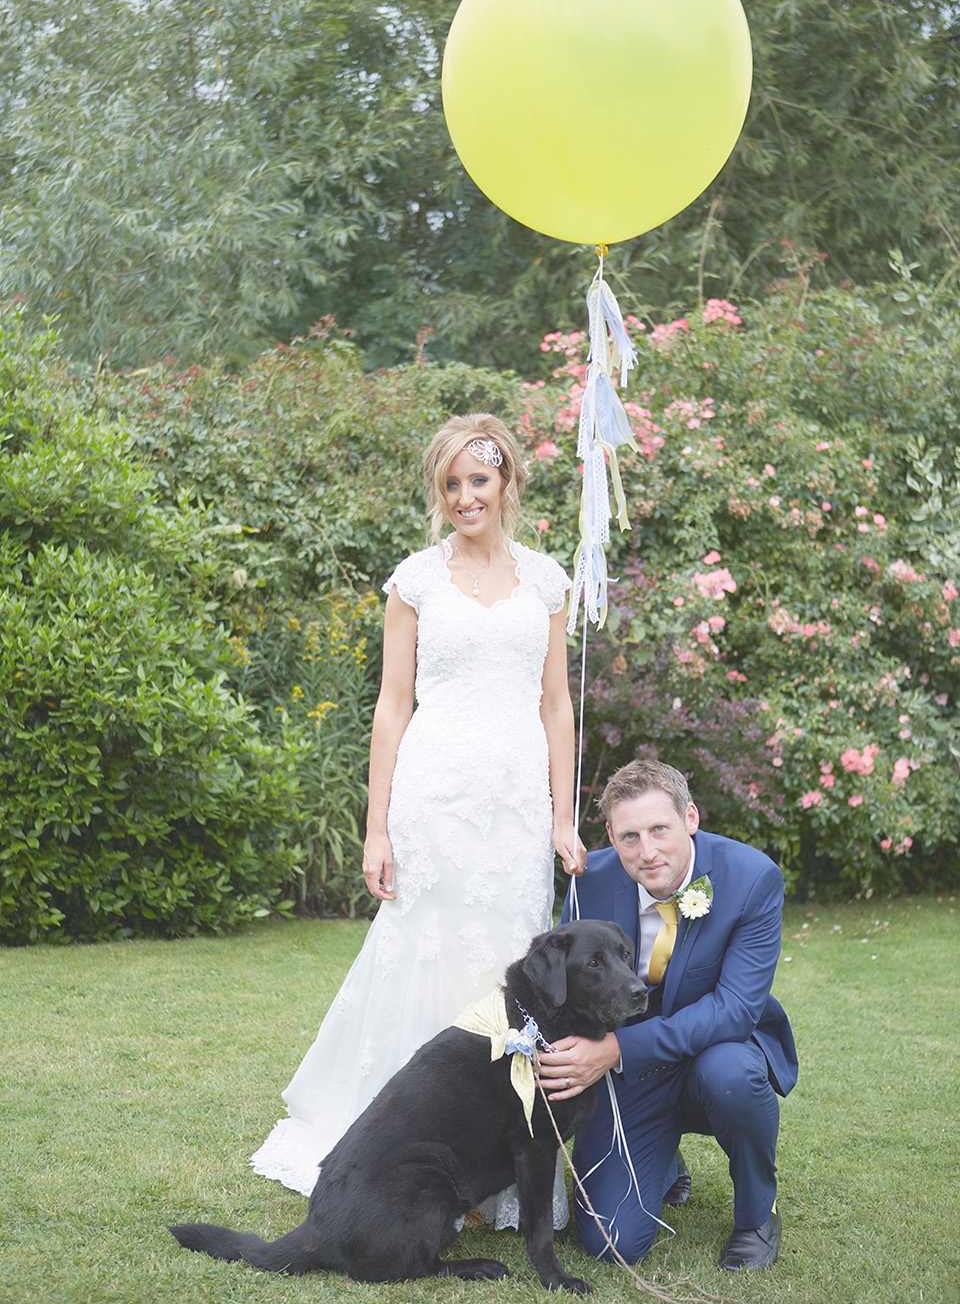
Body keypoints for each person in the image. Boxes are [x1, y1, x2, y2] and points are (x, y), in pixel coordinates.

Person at [251, 413, 585, 1212]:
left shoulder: (545, 581)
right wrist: (378, 826)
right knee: (425, 957)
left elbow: (556, 707)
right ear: (439, 493)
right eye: (451, 484)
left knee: (509, 967)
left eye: (479, 480)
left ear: (506, 483)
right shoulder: (415, 580)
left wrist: (563, 819)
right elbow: (391, 708)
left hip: (513, 807)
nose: (466, 496)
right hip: (433, 802)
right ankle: (393, 1147)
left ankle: (492, 1170)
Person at [538, 758, 797, 1271]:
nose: (647, 851)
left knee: (733, 1077)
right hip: (632, 1074)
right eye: (629, 836)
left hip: (716, 1051)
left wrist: (614, 1051)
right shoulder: (587, 884)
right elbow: (566, 991)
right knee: (609, 1242)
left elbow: (735, 1009)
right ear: (610, 836)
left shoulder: (751, 878)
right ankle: (662, 1160)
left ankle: (757, 1214)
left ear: (691, 818)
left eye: (660, 830)